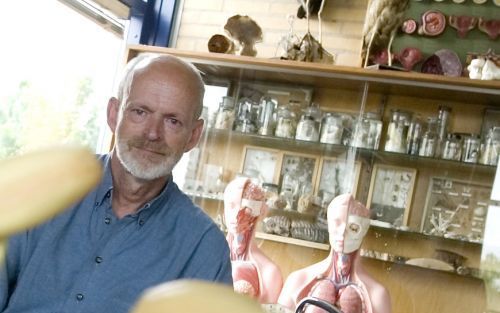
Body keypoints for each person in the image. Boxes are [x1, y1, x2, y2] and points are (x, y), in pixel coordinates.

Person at [0, 54, 233, 313]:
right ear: (113, 114)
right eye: (140, 112)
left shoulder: (203, 248)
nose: (153, 133)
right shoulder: (40, 190)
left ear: (193, 136)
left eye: (172, 121)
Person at [277, 194, 391, 313]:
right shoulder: (297, 280)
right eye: (337, 224)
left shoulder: (377, 295)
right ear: (329, 225)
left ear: (363, 230)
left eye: (353, 228)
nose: (342, 233)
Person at [223, 177, 283, 304]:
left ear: (259, 213)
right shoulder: (208, 255)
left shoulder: (269, 272)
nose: (236, 215)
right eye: (231, 206)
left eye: (246, 208)